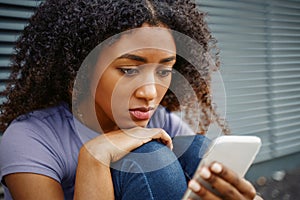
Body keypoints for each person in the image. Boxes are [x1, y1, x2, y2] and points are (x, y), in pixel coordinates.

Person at [0, 0, 259, 199]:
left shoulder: (163, 124)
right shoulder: (31, 138)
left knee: (197, 151)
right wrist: (95, 156)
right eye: (128, 70)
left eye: (164, 71)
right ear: (81, 66)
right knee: (152, 160)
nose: (149, 92)